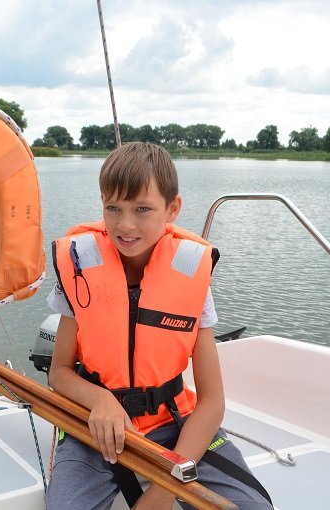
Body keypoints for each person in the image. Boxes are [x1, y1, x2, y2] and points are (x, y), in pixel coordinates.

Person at [45, 142, 272, 510]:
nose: (125, 225)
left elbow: (212, 402)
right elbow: (59, 372)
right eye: (113, 208)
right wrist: (101, 400)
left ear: (172, 209)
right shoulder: (80, 270)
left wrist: (166, 488)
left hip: (175, 423)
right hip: (94, 425)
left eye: (142, 209)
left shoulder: (191, 276)